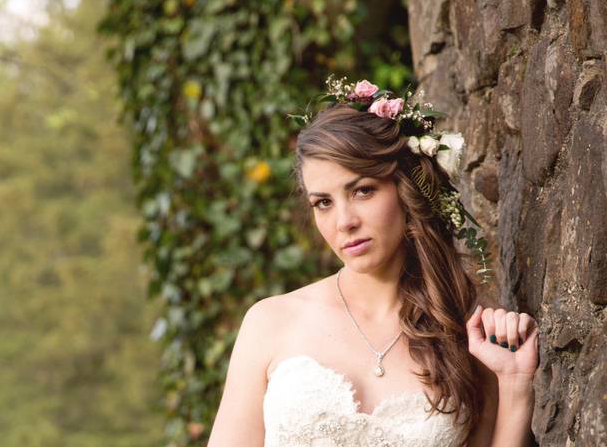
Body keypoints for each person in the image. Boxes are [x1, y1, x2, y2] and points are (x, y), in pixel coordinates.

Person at [206, 76, 539, 447]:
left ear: (406, 189)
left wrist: (514, 384)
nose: (344, 221)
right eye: (323, 203)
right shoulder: (269, 323)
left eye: (362, 191)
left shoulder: (471, 332)